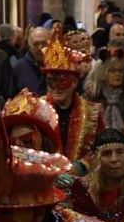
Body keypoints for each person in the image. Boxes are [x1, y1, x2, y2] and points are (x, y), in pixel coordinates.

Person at [41, 31, 104, 169]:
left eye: (62, 81)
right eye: (51, 81)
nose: (56, 88)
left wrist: (81, 167)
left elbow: (100, 148)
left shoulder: (92, 111)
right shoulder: (37, 109)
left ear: (75, 82)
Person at [88, 55, 124, 132]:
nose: (117, 74)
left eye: (120, 71)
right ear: (102, 73)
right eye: (112, 71)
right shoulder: (93, 98)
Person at [11, 27, 52, 97]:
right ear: (30, 46)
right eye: (36, 44)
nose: (40, 48)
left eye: (44, 43)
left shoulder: (58, 66)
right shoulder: (19, 67)